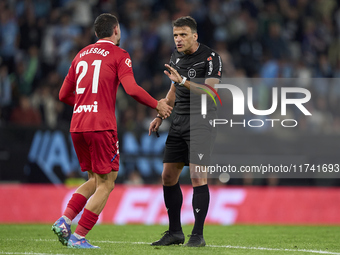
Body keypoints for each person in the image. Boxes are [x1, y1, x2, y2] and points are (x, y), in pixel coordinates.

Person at [51, 13, 172, 249]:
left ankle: (64, 220)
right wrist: (156, 104)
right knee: (107, 184)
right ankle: (79, 236)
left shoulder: (80, 54)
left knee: (96, 180)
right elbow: (132, 89)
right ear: (116, 30)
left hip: (77, 125)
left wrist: (86, 102)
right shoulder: (120, 54)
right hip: (101, 125)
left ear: (97, 33)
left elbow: (63, 95)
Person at [149, 16, 222, 247]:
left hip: (202, 122)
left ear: (194, 36)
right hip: (178, 121)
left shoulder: (211, 58)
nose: (178, 40)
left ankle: (197, 236)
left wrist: (183, 82)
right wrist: (161, 115)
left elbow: (211, 91)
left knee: (197, 176)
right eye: (175, 36)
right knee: (168, 176)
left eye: (182, 35)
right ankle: (175, 232)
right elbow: (172, 87)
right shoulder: (176, 56)